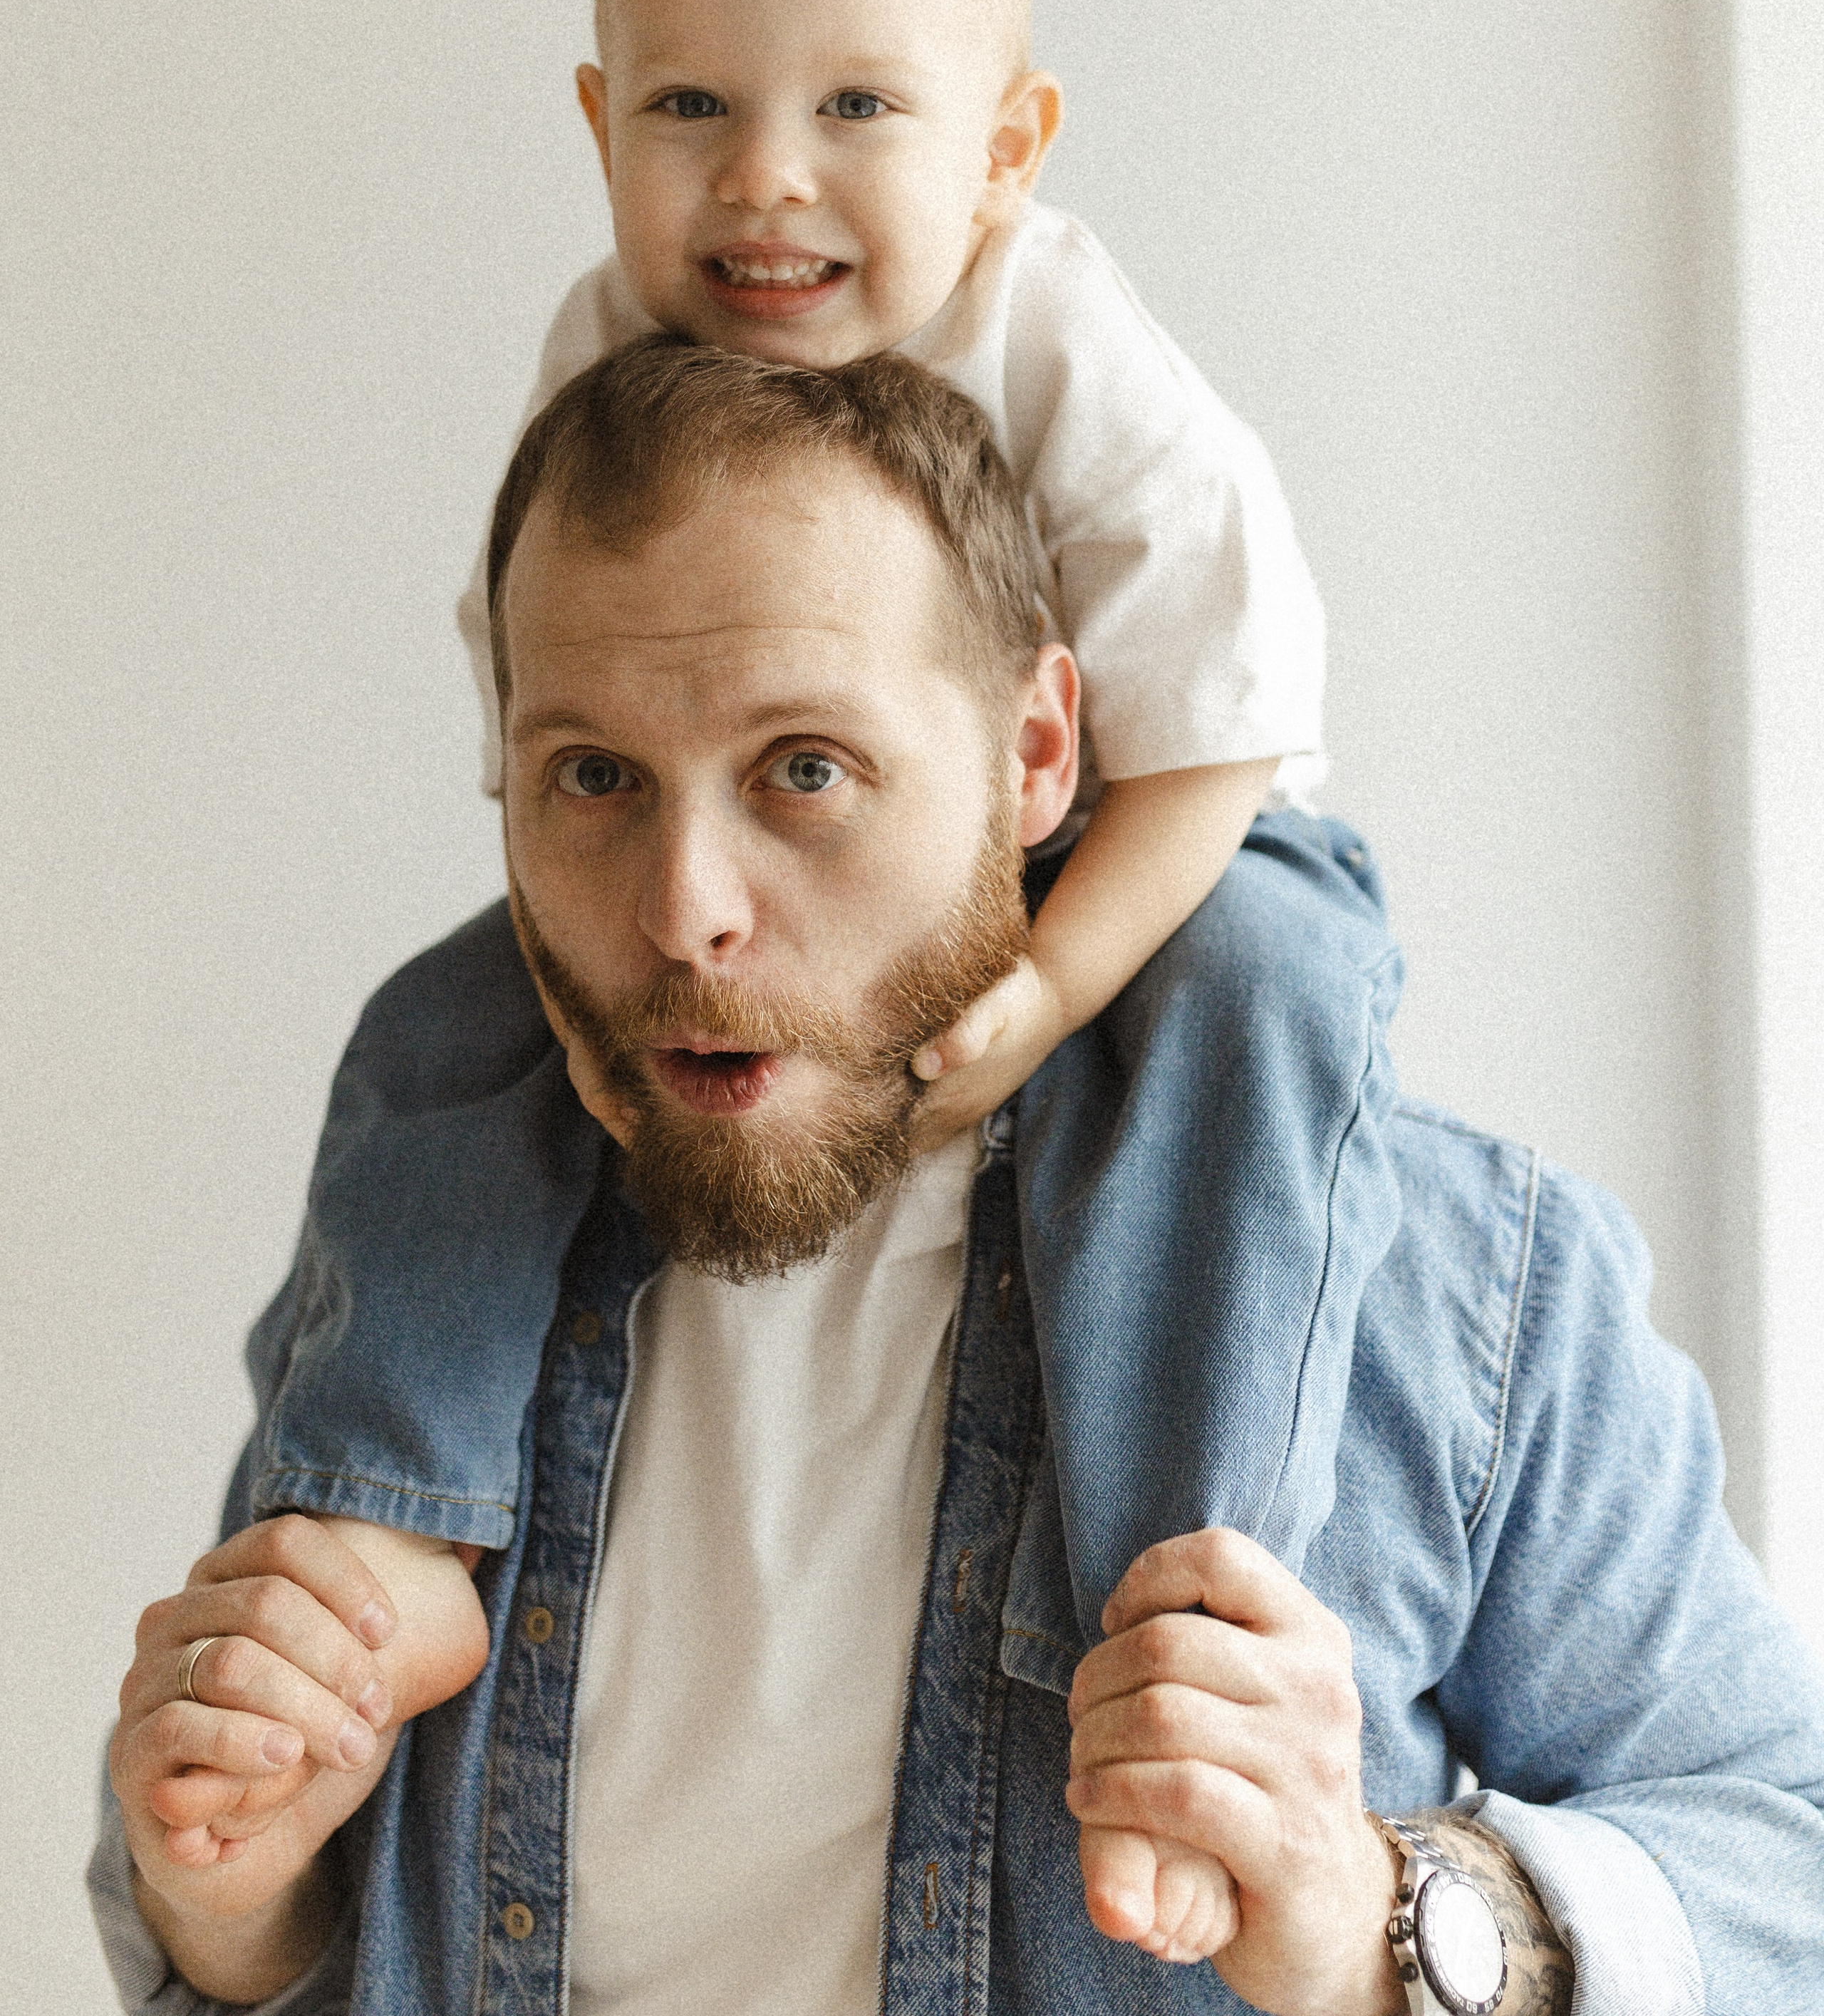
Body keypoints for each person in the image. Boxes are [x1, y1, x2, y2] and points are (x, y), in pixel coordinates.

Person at [95, 342, 1824, 2014]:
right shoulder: (430, 1273)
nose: (683, 901)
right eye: (595, 777)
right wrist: (229, 1893)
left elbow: (1786, 1875)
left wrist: (1374, 1916)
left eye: (805, 770)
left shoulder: (1448, 1284)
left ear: (1035, 755)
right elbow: (273, 1941)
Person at [229, 0, 1399, 1681]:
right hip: (832, 884)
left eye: (857, 106)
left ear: (1006, 148)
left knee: (1271, 995)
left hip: (1149, 838)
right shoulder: (608, 352)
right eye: (692, 103)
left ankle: (1194, 1579)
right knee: (438, 1030)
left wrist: (1059, 980)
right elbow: (542, 712)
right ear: (602, 123)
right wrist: (573, 983)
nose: (766, 173)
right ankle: (392, 1519)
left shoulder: (1062, 346)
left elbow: (1224, 725)